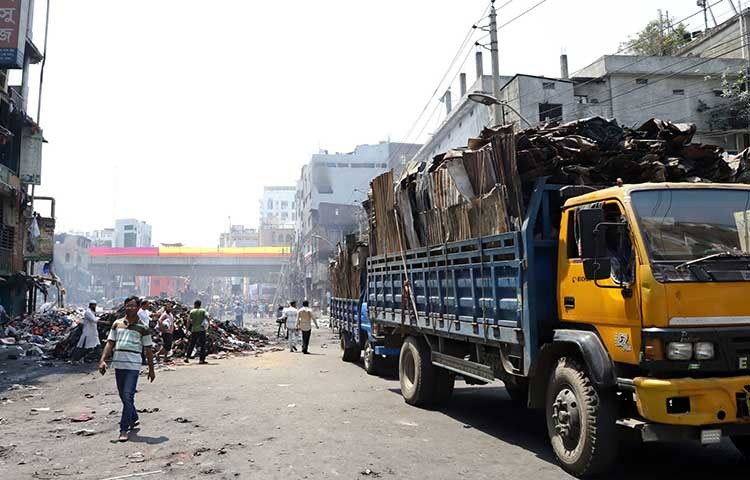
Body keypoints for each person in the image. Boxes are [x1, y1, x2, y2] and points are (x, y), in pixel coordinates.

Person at [98, 296, 155, 443]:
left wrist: (151, 368)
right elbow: (110, 343)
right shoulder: (117, 324)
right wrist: (102, 360)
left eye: (133, 306)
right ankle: (134, 417)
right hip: (119, 364)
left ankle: (123, 429)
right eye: (127, 306)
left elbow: (148, 349)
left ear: (138, 307)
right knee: (123, 396)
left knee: (128, 394)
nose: (130, 308)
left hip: (133, 365)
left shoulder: (143, 327)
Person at [184, 300, 209, 364]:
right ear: (200, 305)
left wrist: (187, 329)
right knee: (202, 345)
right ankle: (201, 360)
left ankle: (187, 358)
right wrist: (207, 325)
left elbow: (188, 321)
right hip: (201, 330)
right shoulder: (203, 310)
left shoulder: (192, 311)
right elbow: (207, 317)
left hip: (194, 330)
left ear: (195, 304)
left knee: (192, 344)